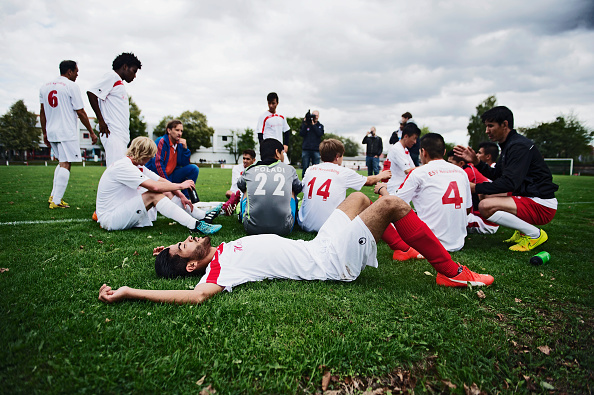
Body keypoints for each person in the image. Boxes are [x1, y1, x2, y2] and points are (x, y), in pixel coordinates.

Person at [97, 192, 495, 306]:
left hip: (318, 245)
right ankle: (452, 271)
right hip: (333, 263)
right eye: (187, 245)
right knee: (391, 205)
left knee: (358, 197)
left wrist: (165, 249)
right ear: (191, 266)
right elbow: (195, 296)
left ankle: (400, 245)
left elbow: (179, 258)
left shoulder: (216, 253)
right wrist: (130, 292)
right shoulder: (217, 272)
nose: (193, 237)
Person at [453, 106, 558, 251]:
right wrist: (477, 163)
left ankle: (534, 234)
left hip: (542, 204)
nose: (487, 131)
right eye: (486, 126)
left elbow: (509, 183)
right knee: (484, 195)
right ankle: (522, 231)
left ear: (505, 125)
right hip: (530, 197)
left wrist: (474, 187)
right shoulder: (509, 145)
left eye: (491, 126)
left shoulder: (519, 146)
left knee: (485, 206)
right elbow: (497, 175)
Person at [96, 137, 221, 234]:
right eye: (149, 156)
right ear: (144, 154)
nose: (150, 159)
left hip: (119, 211)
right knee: (153, 194)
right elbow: (155, 187)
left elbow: (161, 181)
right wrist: (181, 186)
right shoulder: (124, 166)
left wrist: (180, 194)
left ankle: (200, 216)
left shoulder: (135, 164)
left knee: (166, 191)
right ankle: (195, 225)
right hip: (110, 219)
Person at [380, 133, 472, 256]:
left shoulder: (419, 173)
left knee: (386, 216)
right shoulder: (461, 172)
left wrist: (382, 190)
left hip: (429, 244)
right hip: (458, 243)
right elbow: (467, 209)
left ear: (423, 152)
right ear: (444, 152)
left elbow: (394, 205)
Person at [298, 139, 391, 232]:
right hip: (329, 228)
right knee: (360, 199)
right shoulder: (344, 172)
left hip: (304, 224)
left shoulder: (310, 169)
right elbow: (369, 181)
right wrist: (381, 175)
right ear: (337, 157)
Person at [39, 60, 98, 209]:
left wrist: (44, 132)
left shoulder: (44, 87)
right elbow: (80, 111)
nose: (77, 74)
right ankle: (57, 201)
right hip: (66, 131)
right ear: (70, 71)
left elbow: (42, 112)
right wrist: (91, 132)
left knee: (61, 162)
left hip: (52, 131)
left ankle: (53, 195)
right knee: (66, 164)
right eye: (76, 71)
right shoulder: (72, 86)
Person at [87, 52, 142, 167]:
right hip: (113, 133)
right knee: (116, 170)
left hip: (120, 135)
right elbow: (91, 92)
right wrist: (101, 121)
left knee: (119, 170)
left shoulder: (119, 83)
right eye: (134, 71)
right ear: (125, 67)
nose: (135, 76)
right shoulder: (112, 76)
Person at [237, 139, 302, 236]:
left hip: (251, 228)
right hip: (284, 228)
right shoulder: (289, 169)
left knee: (246, 187)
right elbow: (298, 188)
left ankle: (240, 214)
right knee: (292, 188)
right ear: (277, 153)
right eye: (282, 152)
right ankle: (291, 218)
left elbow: (240, 185)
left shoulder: (250, 170)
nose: (283, 155)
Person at [447, 151, 499, 235]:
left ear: (461, 163)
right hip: (480, 216)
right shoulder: (468, 169)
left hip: (485, 223)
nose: (448, 167)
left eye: (451, 163)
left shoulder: (466, 173)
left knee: (447, 216)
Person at [145, 120, 200, 200]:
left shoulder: (179, 144)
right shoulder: (161, 141)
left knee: (193, 169)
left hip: (171, 175)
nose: (180, 133)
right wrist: (168, 184)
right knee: (168, 196)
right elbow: (157, 164)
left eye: (181, 131)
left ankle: (187, 198)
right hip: (157, 177)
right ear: (169, 130)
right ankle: (176, 197)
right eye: (177, 130)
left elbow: (184, 164)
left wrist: (185, 149)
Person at [256, 92, 291, 164]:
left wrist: (286, 144)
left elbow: (287, 130)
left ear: (277, 103)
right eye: (269, 103)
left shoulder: (281, 116)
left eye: (273, 103)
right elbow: (260, 133)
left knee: (286, 167)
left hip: (280, 148)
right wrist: (262, 147)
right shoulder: (263, 116)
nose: (271, 106)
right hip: (268, 148)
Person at [386, 123, 420, 195]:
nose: (415, 142)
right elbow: (407, 170)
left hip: (400, 188)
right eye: (414, 138)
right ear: (406, 136)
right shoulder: (397, 149)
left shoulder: (405, 150)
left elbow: (413, 168)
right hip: (394, 189)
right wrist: (428, 166)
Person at [221, 149, 256, 215]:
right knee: (228, 193)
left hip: (246, 193)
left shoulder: (255, 169)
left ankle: (234, 203)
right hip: (236, 192)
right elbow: (238, 183)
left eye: (247, 159)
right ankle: (236, 200)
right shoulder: (237, 168)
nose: (245, 161)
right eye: (243, 158)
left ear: (253, 160)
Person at [300, 110, 324, 177]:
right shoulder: (306, 125)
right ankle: (304, 182)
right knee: (305, 167)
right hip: (306, 149)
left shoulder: (320, 126)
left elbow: (320, 134)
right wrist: (305, 123)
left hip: (316, 149)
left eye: (316, 115)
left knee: (316, 168)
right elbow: (301, 133)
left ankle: (315, 181)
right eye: (313, 115)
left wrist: (313, 125)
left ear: (318, 116)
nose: (315, 117)